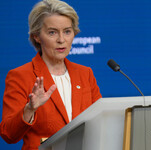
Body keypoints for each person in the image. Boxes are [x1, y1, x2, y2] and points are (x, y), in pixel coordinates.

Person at [0, 0, 102, 149]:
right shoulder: (20, 76)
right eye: (52, 32)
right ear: (37, 36)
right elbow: (8, 135)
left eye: (67, 31)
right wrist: (30, 109)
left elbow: (100, 120)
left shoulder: (85, 73)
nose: (61, 40)